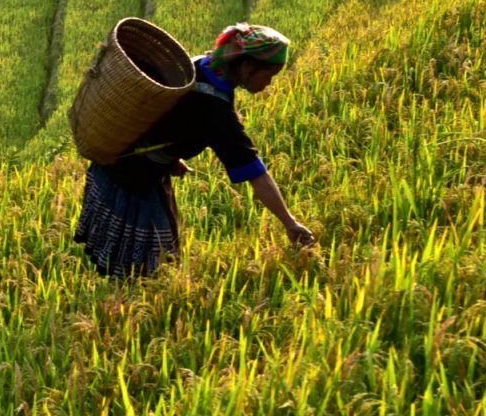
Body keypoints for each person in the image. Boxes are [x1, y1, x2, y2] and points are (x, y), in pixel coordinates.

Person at [74, 22, 316, 278]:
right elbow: (255, 172)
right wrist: (289, 222)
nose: (269, 83)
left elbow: (168, 116)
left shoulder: (201, 65)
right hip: (132, 179)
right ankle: (129, 309)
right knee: (150, 268)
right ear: (246, 67)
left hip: (120, 162)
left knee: (143, 261)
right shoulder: (216, 113)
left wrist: (170, 157)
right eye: (268, 75)